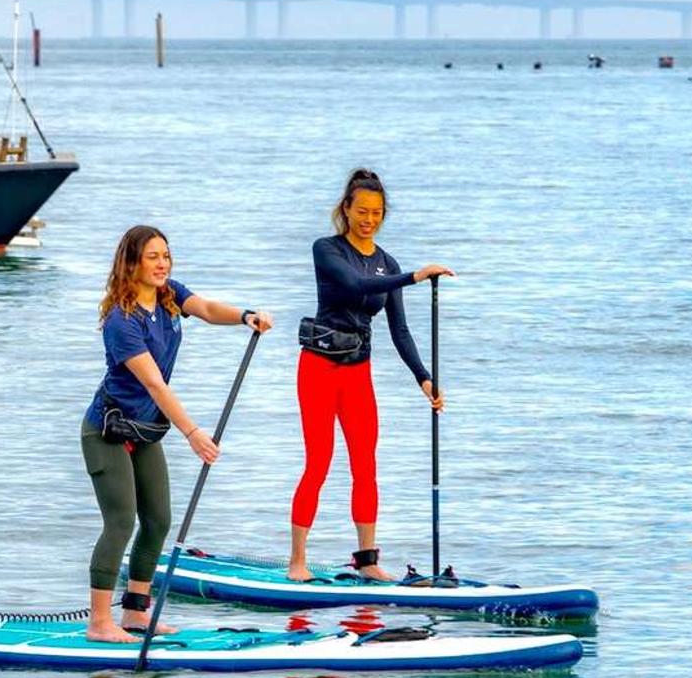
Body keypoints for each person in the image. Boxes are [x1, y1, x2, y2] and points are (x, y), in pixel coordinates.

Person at [82, 225, 272, 643]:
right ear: (131, 262)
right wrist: (192, 433)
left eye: (165, 255)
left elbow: (204, 307)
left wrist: (245, 316)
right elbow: (155, 385)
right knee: (120, 522)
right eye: (152, 256)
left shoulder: (169, 295)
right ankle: (99, 623)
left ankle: (134, 614)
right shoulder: (121, 320)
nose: (162, 263)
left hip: (145, 429)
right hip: (107, 431)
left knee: (158, 521)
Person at [286, 168, 452, 583]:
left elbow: (399, 329)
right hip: (319, 369)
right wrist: (415, 277)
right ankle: (297, 561)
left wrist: (424, 378)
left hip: (358, 373)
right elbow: (356, 285)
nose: (369, 219)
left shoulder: (387, 262)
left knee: (365, 465)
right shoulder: (326, 249)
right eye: (362, 211)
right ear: (346, 209)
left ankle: (367, 559)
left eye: (377, 213)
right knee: (319, 463)